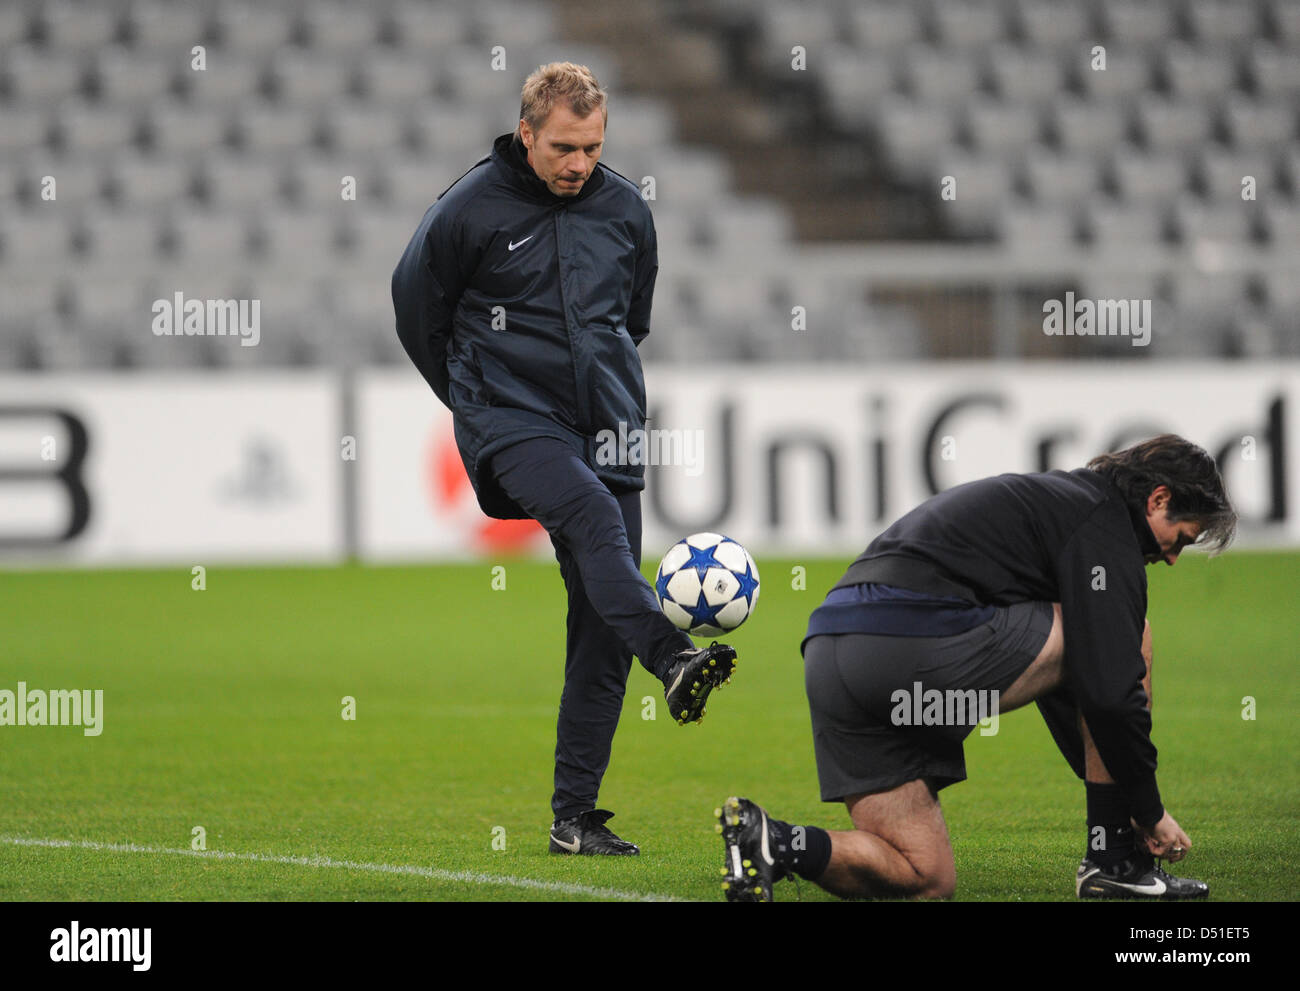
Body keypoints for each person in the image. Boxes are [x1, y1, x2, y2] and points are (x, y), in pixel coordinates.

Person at [392, 62, 736, 857]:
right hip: (511, 420)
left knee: (599, 627)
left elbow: (629, 320)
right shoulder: (468, 209)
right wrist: (474, 399)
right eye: (563, 147)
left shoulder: (624, 209)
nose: (579, 163)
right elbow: (415, 309)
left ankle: (573, 820)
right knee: (585, 515)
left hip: (608, 429)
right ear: (526, 134)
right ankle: (676, 655)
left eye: (592, 146)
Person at [717, 434, 1236, 901]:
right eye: (1183, 539)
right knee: (1127, 636)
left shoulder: (1057, 504)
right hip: (907, 645)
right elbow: (1107, 691)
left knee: (924, 877)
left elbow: (1077, 691)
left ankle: (775, 843)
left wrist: (1116, 791)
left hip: (831, 654)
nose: (1172, 558)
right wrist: (1146, 809)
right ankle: (1116, 864)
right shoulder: (1104, 526)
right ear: (1159, 499)